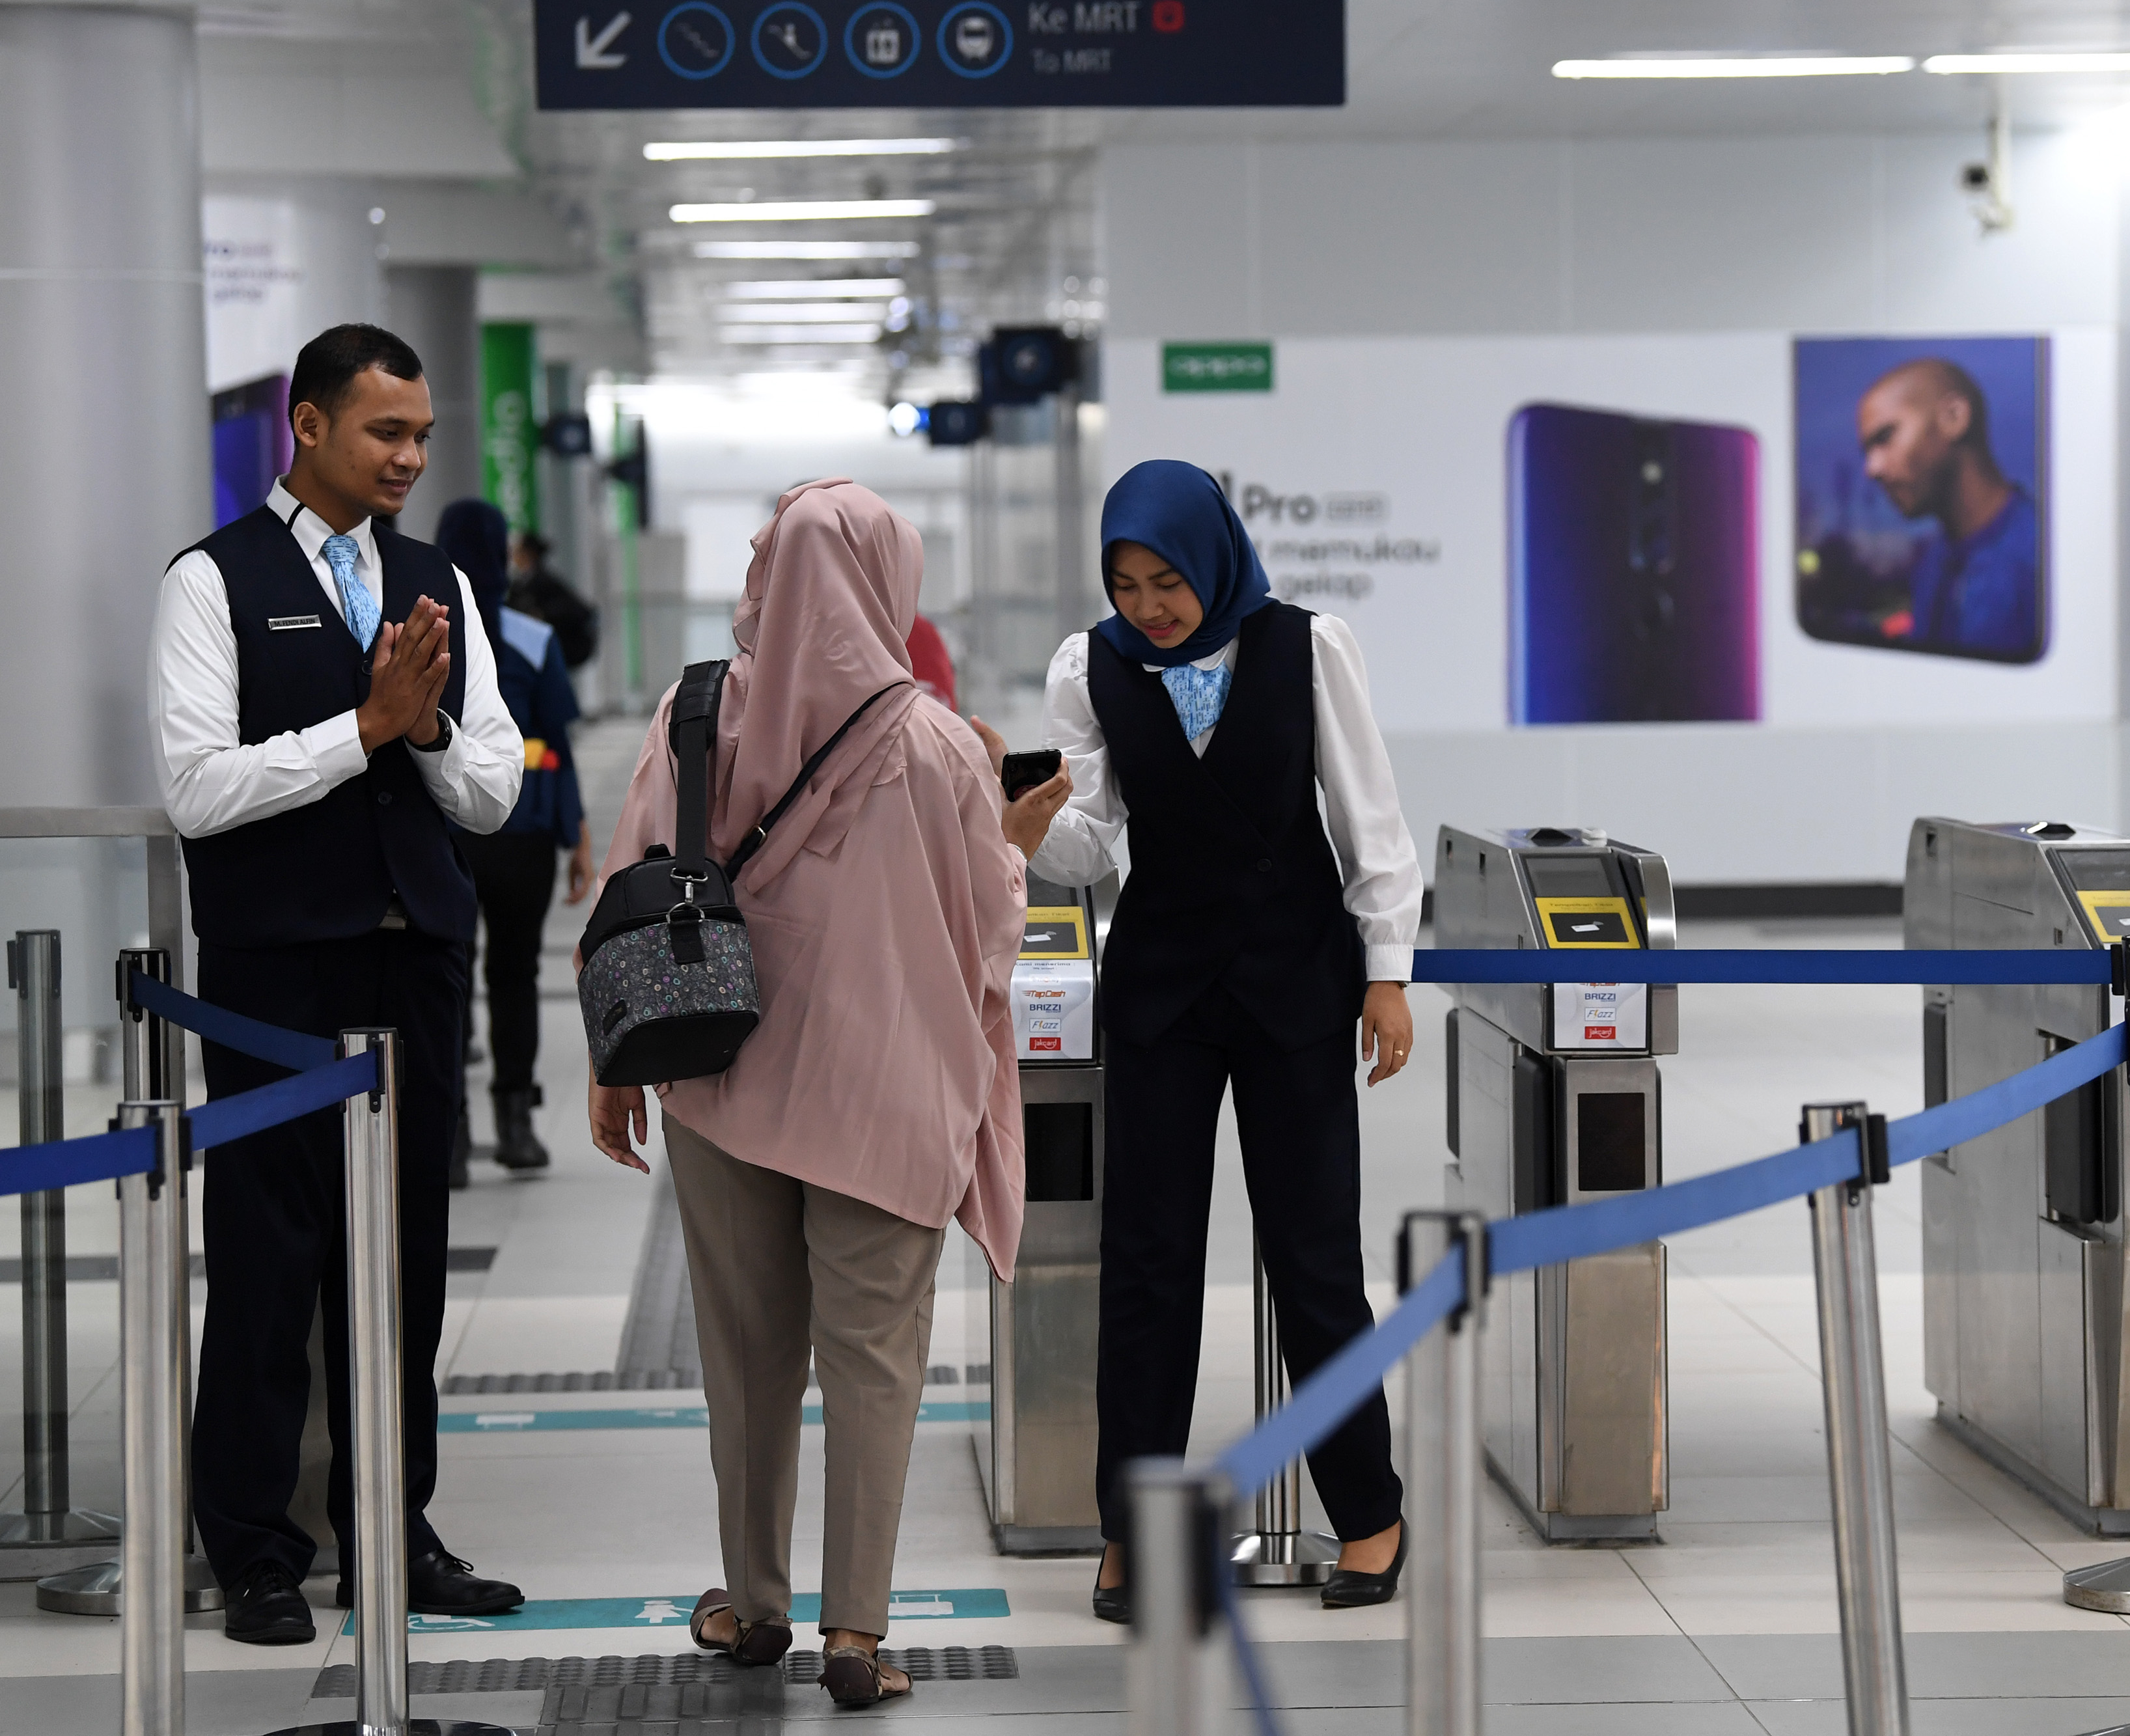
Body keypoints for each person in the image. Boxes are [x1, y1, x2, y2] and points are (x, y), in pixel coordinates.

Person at [586, 480, 1070, 1709]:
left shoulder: (697, 714)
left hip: (722, 1071)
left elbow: (633, 886)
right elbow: (986, 932)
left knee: (747, 1355)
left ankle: (752, 1603)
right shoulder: (941, 746)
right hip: (887, 1100)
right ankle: (857, 1631)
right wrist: (1015, 839)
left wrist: (609, 1065)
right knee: (874, 1363)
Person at [146, 323, 527, 1644]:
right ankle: (254, 1546)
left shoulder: (436, 583)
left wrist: (418, 727)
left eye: (422, 434)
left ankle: (391, 1525)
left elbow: (486, 790)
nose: (411, 457)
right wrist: (354, 731)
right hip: (273, 970)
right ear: (306, 428)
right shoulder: (212, 583)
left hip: (413, 956)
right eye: (387, 432)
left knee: (404, 1259)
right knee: (267, 1255)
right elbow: (197, 789)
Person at [1027, 459, 1420, 1621]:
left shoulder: (1309, 647)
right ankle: (1132, 1528)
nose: (1149, 605)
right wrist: (1032, 830)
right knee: (1146, 1266)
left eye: (1167, 580)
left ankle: (1370, 1512)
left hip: (1297, 981)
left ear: (1212, 559)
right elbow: (1095, 844)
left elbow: (1371, 823)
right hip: (1158, 992)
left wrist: (1386, 975)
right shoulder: (1087, 667)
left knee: (1314, 1256)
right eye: (1126, 582)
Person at [436, 499, 592, 1178]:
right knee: (515, 974)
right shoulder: (532, 637)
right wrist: (576, 837)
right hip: (521, 828)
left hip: (441, 832)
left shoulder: (422, 627)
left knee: (446, 979)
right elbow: (556, 744)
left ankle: (452, 1132)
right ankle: (516, 1123)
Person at [1856, 357, 2043, 660]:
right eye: (1868, 451)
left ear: (1954, 417)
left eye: (1885, 437)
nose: (1872, 469)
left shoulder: (2046, 556)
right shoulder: (1932, 564)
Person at [508, 530, 600, 670]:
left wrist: (542, 614)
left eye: (517, 551)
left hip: (557, 649)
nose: (514, 556)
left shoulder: (544, 582)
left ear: (528, 553)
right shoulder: (520, 584)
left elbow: (578, 611)